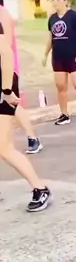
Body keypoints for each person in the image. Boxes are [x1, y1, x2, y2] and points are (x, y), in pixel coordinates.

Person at [0, 17, 51, 211]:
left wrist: (6, 91)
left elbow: (5, 54)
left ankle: (40, 189)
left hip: (3, 87)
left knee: (4, 147)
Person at [0, 0, 42, 154]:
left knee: (12, 105)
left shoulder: (2, 13)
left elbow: (6, 45)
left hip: (6, 70)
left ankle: (32, 138)